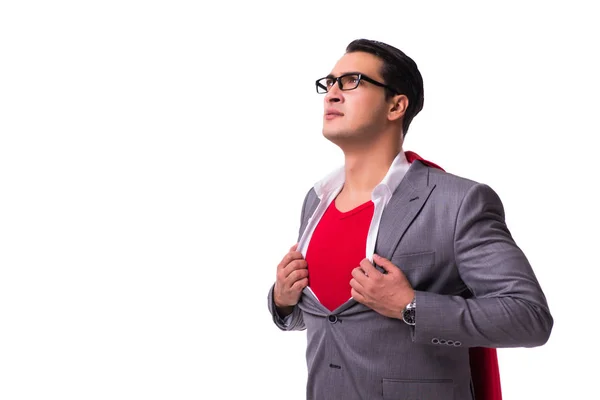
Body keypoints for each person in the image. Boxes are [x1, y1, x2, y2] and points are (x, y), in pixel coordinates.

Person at [267, 39, 553, 400]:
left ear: (396, 105)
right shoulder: (316, 202)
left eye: (351, 81)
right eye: (330, 82)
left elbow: (529, 318)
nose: (332, 94)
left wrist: (409, 306)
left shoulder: (458, 202)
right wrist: (282, 301)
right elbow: (334, 320)